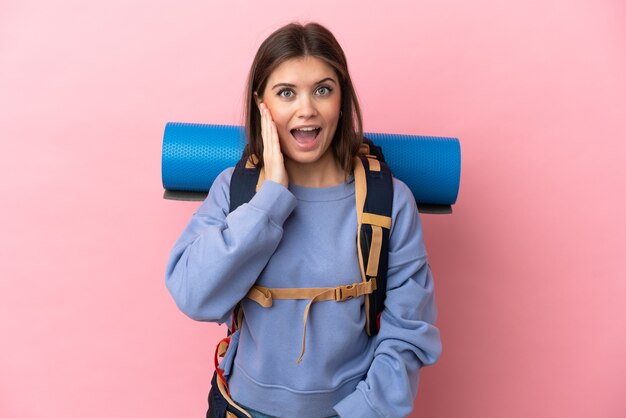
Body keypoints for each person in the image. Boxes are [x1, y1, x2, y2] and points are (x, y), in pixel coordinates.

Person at [165, 22, 442, 418]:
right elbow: (194, 295)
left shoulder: (390, 200)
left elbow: (408, 333)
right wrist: (272, 196)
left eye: (323, 90)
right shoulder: (234, 191)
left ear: (342, 100)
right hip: (239, 409)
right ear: (263, 105)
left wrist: (360, 412)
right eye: (286, 93)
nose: (306, 108)